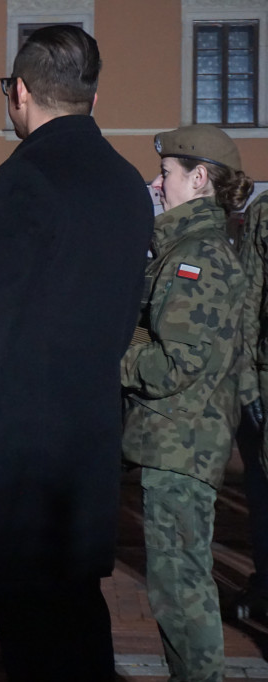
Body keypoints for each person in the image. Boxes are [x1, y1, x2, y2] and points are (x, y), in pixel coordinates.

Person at [0, 26, 153, 681]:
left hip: (20, 448)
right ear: (92, 94)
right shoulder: (126, 184)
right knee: (80, 618)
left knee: (30, 631)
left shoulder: (22, 178)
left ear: (20, 93)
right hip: (88, 441)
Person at [123, 125, 253, 681]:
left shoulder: (195, 258)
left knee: (182, 590)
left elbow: (172, 364)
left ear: (199, 179)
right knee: (178, 587)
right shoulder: (188, 248)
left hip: (180, 446)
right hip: (181, 442)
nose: (158, 183)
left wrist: (117, 345)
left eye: (167, 173)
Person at [237, 187, 268, 621]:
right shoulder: (264, 212)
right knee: (262, 493)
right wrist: (247, 386)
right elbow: (247, 302)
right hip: (265, 379)